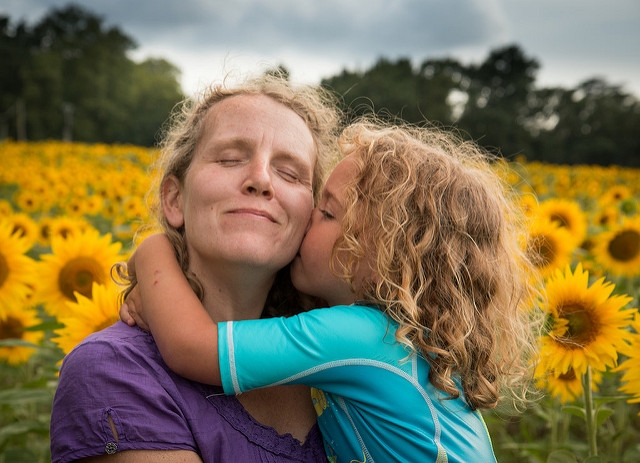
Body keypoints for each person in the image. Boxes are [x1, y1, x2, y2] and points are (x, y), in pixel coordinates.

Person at [121, 120, 543, 462]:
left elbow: (191, 347)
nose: (307, 222)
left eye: (326, 212)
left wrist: (153, 254)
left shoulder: (361, 338)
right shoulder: (406, 343)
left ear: (385, 256)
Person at [49, 72, 342, 463]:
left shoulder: (339, 357)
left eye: (290, 173)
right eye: (230, 159)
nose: (260, 179)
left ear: (311, 218)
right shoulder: (115, 371)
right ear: (173, 199)